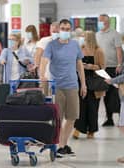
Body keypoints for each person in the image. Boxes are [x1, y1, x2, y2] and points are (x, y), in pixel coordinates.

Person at [40, 19, 87, 157]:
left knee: (72, 117)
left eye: (67, 29)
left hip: (72, 85)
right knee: (58, 118)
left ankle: (63, 145)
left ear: (70, 30)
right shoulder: (51, 45)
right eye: (63, 28)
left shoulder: (75, 45)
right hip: (57, 86)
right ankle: (57, 145)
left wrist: (83, 84)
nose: (65, 31)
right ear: (59, 29)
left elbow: (79, 65)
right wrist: (42, 74)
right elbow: (44, 61)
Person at [73, 31, 105, 139]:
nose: (82, 38)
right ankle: (78, 129)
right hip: (81, 80)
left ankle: (91, 130)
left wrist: (89, 66)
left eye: (84, 37)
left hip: (94, 83)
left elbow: (102, 67)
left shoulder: (98, 51)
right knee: (80, 106)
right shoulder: (80, 49)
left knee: (92, 107)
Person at [96, 14, 123, 126]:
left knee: (113, 94)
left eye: (101, 21)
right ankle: (109, 118)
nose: (100, 23)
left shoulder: (114, 34)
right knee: (104, 94)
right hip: (101, 68)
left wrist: (119, 64)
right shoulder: (97, 34)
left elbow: (118, 50)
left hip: (113, 67)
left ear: (107, 22)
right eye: (99, 21)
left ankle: (117, 117)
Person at [34, 22, 60, 95]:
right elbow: (38, 54)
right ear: (50, 31)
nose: (54, 33)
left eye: (57, 32)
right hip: (46, 76)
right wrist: (39, 71)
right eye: (53, 31)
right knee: (46, 97)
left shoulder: (65, 42)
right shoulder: (45, 41)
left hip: (60, 77)